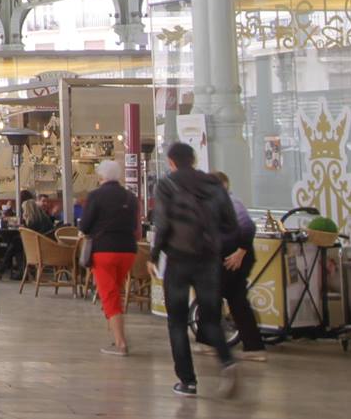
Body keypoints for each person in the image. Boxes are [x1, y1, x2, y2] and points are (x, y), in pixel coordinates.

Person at [150, 141, 240, 397]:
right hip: (208, 260)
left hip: (178, 260)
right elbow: (231, 222)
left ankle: (187, 381)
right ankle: (227, 361)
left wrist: (155, 254)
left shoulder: (166, 185)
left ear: (171, 162)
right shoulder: (213, 184)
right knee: (211, 319)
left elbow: (163, 224)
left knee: (177, 322)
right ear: (194, 159)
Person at [80, 159, 140, 356]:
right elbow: (135, 227)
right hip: (128, 251)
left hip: (104, 250)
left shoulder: (95, 195)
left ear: (101, 176)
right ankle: (115, 338)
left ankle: (121, 343)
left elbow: (85, 226)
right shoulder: (130, 197)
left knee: (109, 295)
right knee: (116, 290)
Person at [212, 172, 269, 362]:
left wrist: (240, 251)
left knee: (214, 297)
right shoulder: (222, 203)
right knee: (237, 301)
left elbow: (248, 227)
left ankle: (209, 342)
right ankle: (254, 346)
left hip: (233, 259)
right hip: (232, 258)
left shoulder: (231, 203)